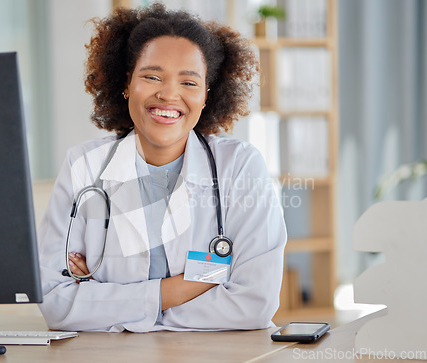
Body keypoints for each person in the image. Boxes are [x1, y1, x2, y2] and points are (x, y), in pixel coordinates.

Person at [38, 3, 287, 332]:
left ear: (206, 96)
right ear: (127, 83)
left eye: (189, 82)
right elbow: (55, 301)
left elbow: (254, 303)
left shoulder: (240, 167)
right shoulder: (84, 165)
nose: (169, 94)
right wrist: (195, 285)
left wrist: (107, 301)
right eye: (152, 76)